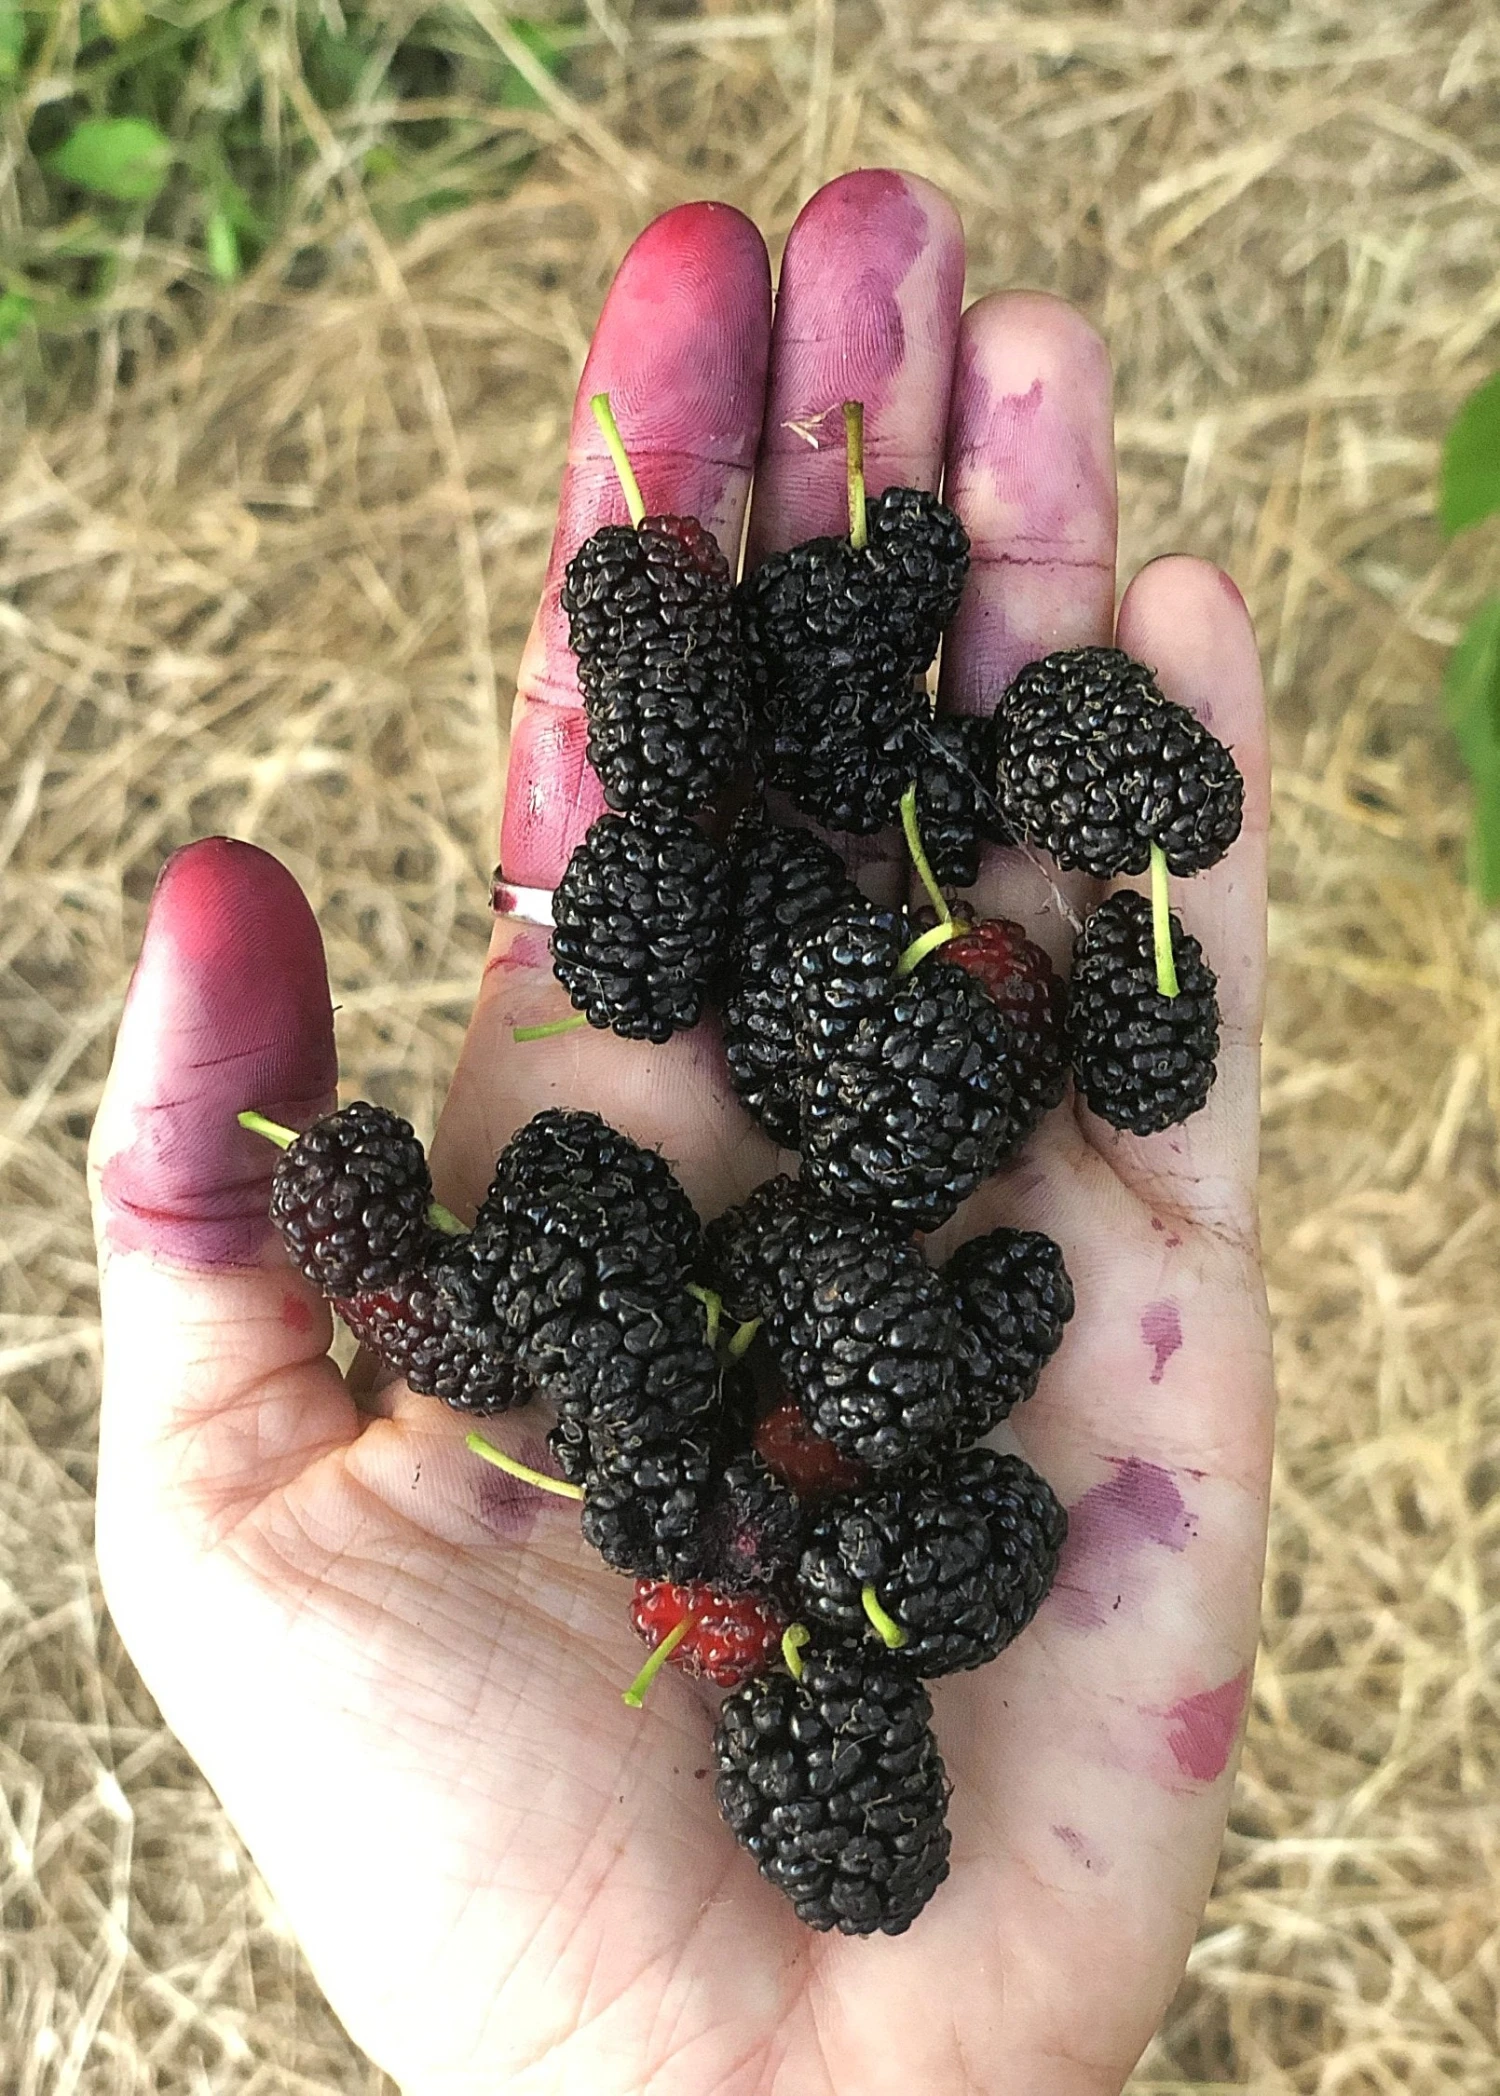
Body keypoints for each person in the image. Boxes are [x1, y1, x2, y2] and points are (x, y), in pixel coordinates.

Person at [87, 171, 1272, 2096]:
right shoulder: (707, 1456)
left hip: (830, 1192)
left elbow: (848, 1326)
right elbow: (777, 1343)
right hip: (790, 1253)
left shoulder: (777, 1398)